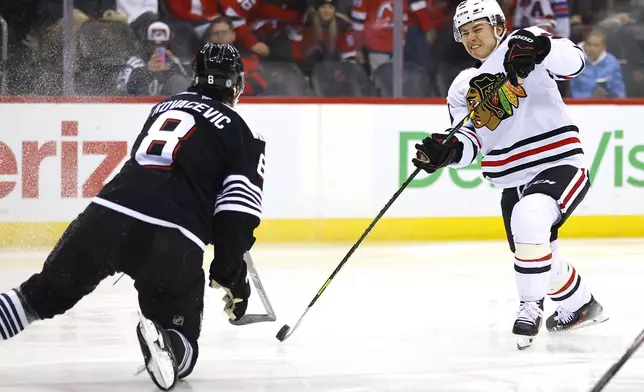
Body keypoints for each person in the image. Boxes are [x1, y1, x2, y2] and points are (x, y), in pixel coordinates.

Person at [0, 43, 266, 390]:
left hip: (107, 216)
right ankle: (169, 341)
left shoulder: (163, 108)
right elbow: (236, 213)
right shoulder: (244, 133)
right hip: (173, 238)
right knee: (182, 342)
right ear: (239, 84)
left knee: (38, 296)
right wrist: (231, 275)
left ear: (195, 77)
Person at [411, 0, 607, 350]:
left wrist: (541, 47)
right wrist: (448, 152)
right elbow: (472, 139)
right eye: (465, 32)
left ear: (498, 25)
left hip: (557, 162)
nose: (471, 38)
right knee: (537, 256)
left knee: (530, 217)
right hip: (509, 181)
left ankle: (529, 308)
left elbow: (574, 62)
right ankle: (580, 306)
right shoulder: (462, 86)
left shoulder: (524, 40)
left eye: (478, 29)